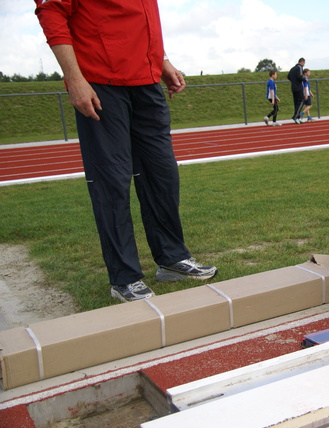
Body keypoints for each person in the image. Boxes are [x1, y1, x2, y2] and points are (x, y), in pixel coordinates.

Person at [34, 0, 217, 303]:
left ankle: (172, 259)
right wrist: (75, 79)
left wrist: (163, 62)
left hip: (145, 81)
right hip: (100, 81)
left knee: (162, 175)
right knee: (112, 181)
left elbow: (140, 20)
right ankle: (125, 277)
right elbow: (51, 12)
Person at [287, 58, 306, 124]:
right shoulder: (299, 67)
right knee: (302, 101)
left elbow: (288, 76)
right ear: (302, 62)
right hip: (298, 87)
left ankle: (298, 117)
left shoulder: (292, 68)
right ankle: (296, 115)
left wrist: (293, 81)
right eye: (304, 63)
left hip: (293, 87)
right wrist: (304, 79)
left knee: (296, 102)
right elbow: (299, 76)